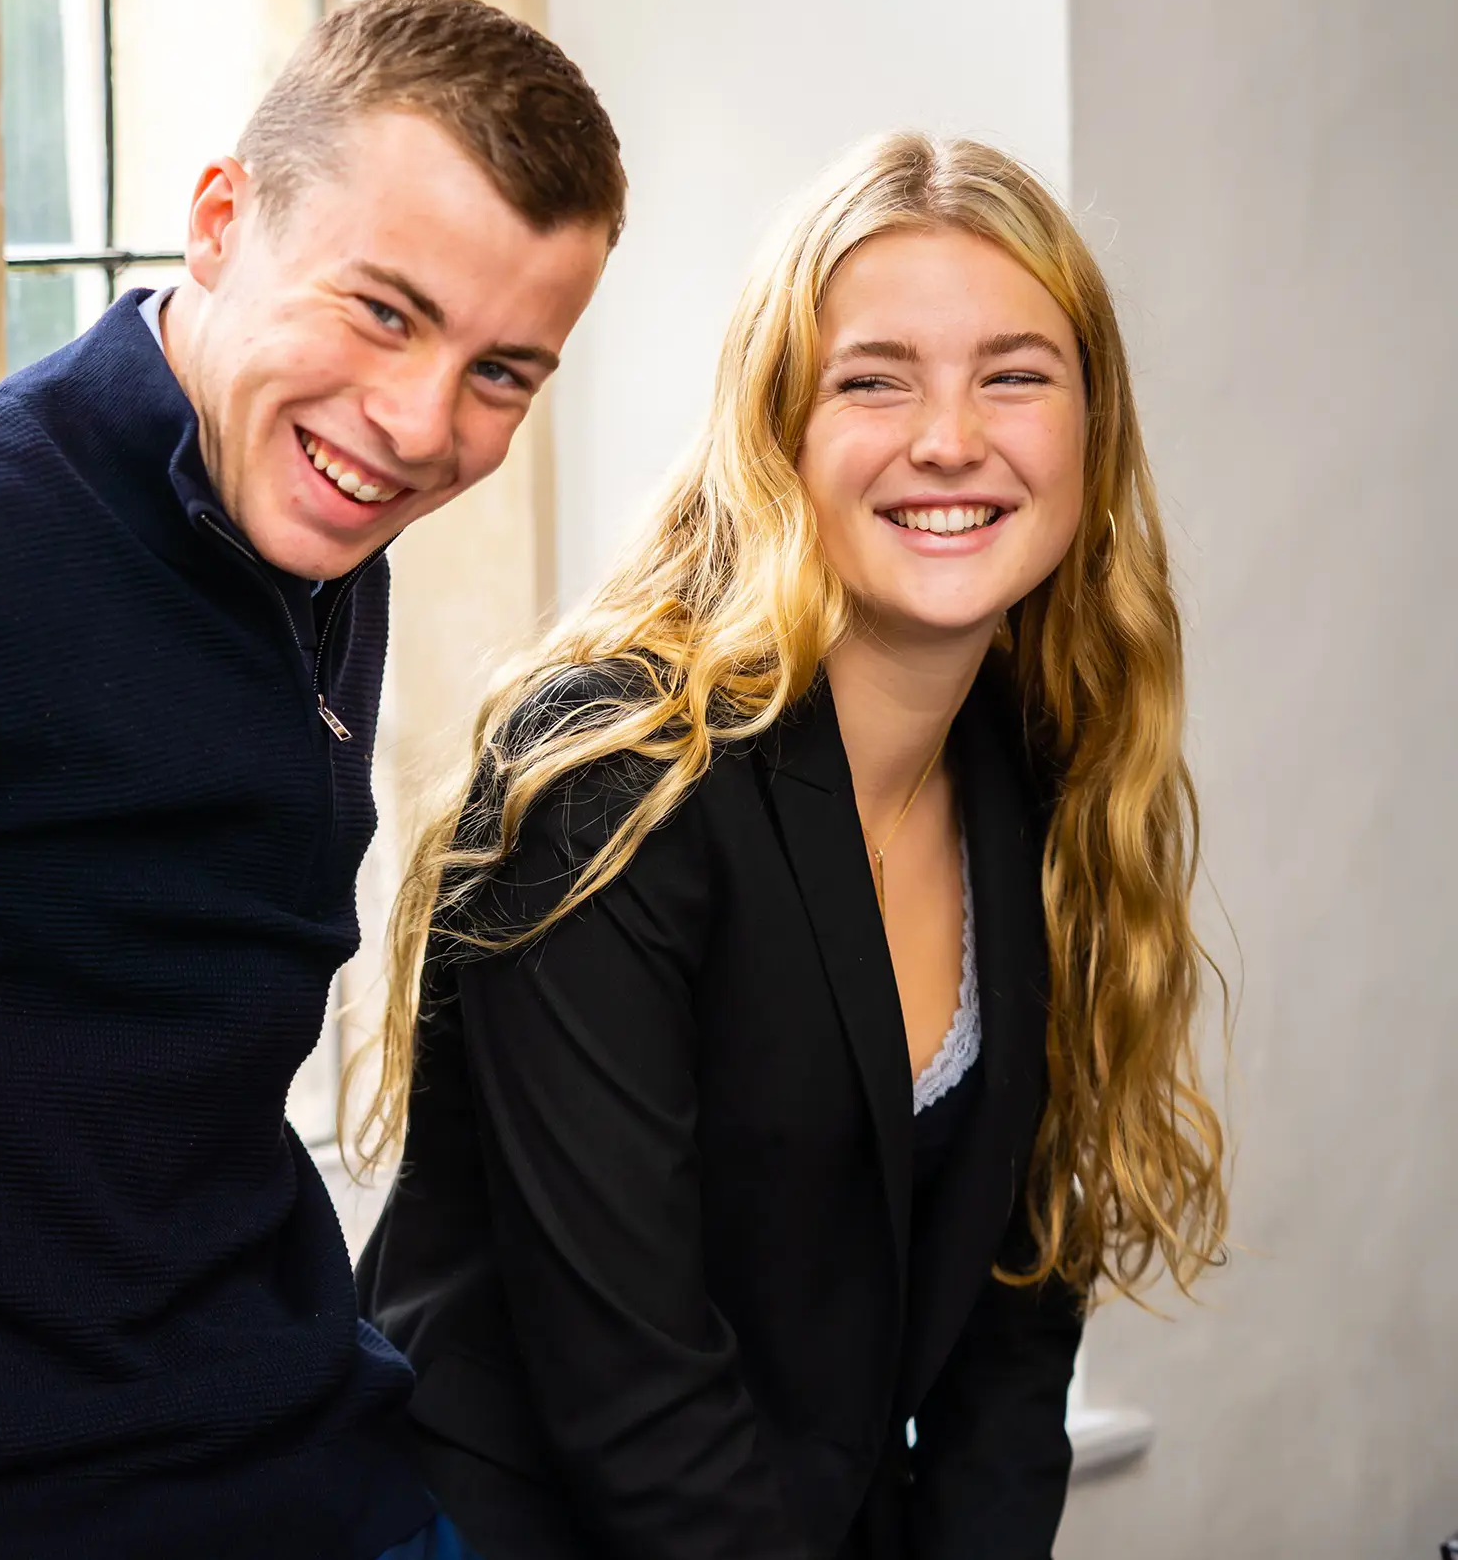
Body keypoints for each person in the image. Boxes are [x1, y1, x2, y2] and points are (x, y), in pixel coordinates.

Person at [0, 0, 625, 1560]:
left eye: (503, 372)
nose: (419, 423)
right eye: (382, 310)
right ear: (221, 223)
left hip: (324, 1474)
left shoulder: (309, 521)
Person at [354, 132, 1231, 1560]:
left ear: (1092, 431)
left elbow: (1011, 1338)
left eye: (1015, 373)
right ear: (779, 434)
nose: (950, 438)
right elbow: (634, 1401)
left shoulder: (1046, 772)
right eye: (875, 379)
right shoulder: (610, 774)